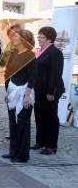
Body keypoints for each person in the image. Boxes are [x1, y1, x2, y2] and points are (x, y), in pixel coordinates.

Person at [2, 30, 36, 163]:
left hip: (23, 92)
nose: (13, 38)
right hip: (13, 90)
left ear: (24, 39)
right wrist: (7, 91)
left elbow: (32, 78)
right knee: (12, 122)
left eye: (16, 36)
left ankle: (22, 155)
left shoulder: (30, 55)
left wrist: (27, 96)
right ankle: (13, 151)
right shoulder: (14, 54)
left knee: (23, 123)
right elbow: (9, 74)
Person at [33, 26, 65, 155]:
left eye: (41, 37)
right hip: (39, 90)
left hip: (50, 90)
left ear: (49, 38)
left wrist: (51, 91)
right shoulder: (39, 51)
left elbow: (56, 74)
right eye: (38, 37)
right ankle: (40, 141)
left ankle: (51, 145)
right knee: (39, 116)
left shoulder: (55, 52)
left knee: (50, 117)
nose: (39, 39)